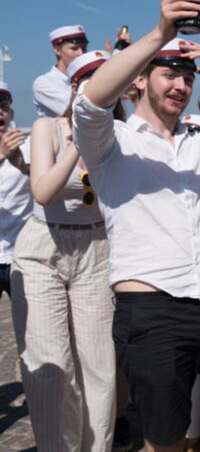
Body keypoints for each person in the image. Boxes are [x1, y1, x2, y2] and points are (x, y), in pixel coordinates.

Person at [73, 0, 200, 452]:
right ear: (139, 81)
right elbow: (90, 100)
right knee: (165, 441)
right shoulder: (113, 142)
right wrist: (159, 32)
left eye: (188, 78)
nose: (181, 86)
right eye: (169, 74)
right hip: (152, 308)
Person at [11, 51, 123, 451]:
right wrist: (79, 142)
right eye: (92, 82)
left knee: (100, 369)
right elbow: (43, 190)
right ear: (75, 88)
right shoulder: (48, 128)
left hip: (97, 250)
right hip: (45, 246)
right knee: (51, 371)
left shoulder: (122, 134)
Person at [0, 81, 31, 299]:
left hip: (21, 256)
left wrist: (26, 167)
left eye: (4, 105)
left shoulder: (28, 145)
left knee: (31, 329)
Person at [35, 25, 89, 117]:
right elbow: (81, 110)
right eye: (74, 48)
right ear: (57, 50)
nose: (81, 53)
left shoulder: (89, 77)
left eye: (84, 48)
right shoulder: (43, 83)